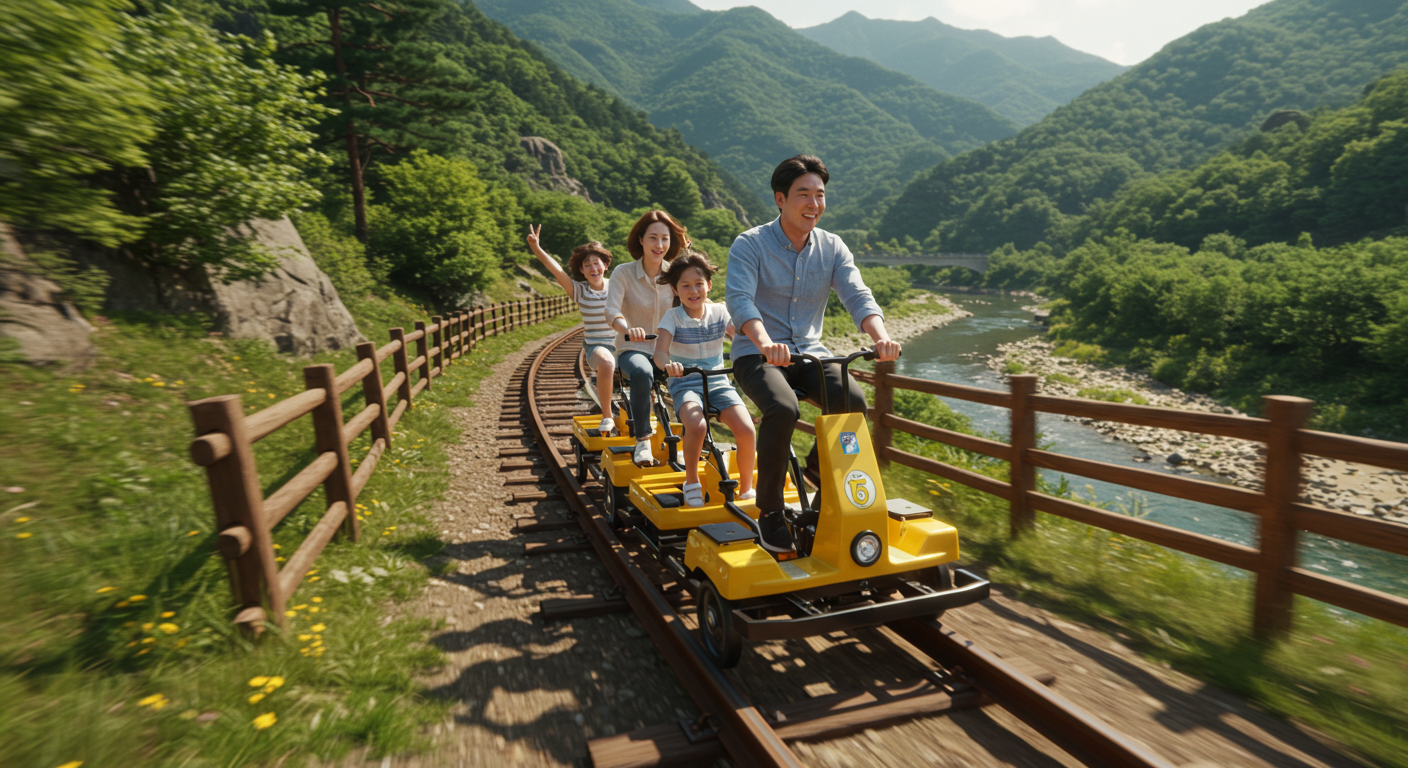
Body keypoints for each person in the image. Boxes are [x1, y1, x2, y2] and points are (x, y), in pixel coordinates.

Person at [725, 154, 902, 552]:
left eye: (820, 195)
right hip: (756, 353)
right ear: (780, 199)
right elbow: (739, 299)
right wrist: (764, 340)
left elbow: (857, 294)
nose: (814, 204)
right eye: (803, 194)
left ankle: (820, 479)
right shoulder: (750, 244)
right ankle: (769, 511)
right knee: (783, 407)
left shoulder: (833, 247)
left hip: (810, 353)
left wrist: (881, 336)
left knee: (852, 400)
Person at [653, 250, 756, 507]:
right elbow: (660, 352)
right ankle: (691, 481)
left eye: (699, 284)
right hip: (685, 382)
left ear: (708, 285)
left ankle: (747, 490)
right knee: (697, 426)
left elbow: (740, 336)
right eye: (685, 285)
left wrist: (761, 347)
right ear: (676, 290)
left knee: (746, 429)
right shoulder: (673, 317)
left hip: (718, 381)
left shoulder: (720, 313)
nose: (693, 290)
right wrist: (670, 366)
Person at [605, 210, 688, 465]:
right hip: (634, 350)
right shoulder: (623, 272)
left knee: (694, 375)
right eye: (653, 238)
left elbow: (694, 298)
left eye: (665, 239)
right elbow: (612, 311)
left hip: (667, 350)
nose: (659, 245)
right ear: (640, 239)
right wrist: (627, 328)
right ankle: (642, 441)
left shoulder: (675, 274)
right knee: (642, 372)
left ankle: (690, 440)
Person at [526, 225, 617, 432]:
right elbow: (555, 270)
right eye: (587, 265)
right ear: (582, 270)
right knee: (607, 361)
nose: (593, 268)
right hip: (598, 348)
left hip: (622, 345)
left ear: (605, 265)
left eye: (597, 263)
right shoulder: (579, 291)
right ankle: (607, 415)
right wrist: (537, 248)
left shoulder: (618, 286)